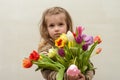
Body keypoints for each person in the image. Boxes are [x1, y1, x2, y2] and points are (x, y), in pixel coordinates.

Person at [38, 6, 95, 80]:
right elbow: (47, 74)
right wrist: (66, 77)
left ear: (68, 26)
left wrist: (86, 78)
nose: (56, 29)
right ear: (46, 29)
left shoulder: (76, 45)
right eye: (51, 25)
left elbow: (90, 67)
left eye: (60, 24)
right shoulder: (45, 51)